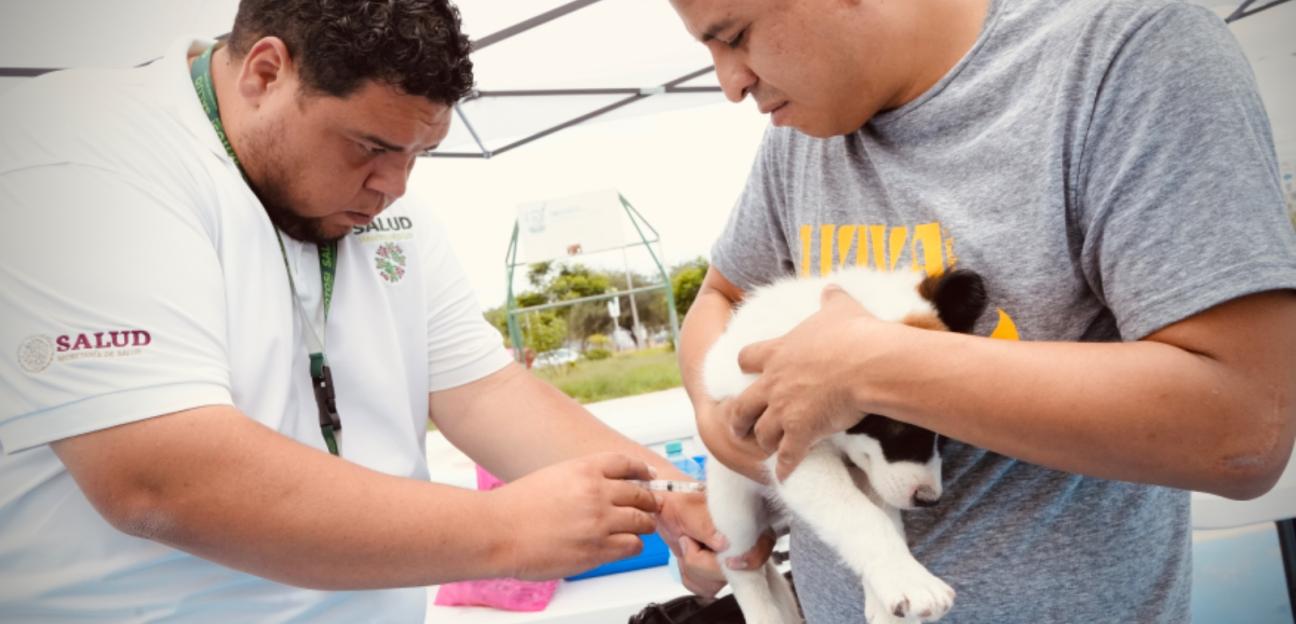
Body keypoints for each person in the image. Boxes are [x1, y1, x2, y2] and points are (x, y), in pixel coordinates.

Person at [0, 1, 767, 620]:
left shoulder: (382, 209)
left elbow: (486, 394)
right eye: (369, 146)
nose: (393, 185)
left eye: (415, 154)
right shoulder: (81, 156)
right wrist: (504, 531)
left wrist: (679, 499)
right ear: (266, 71)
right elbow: (159, 478)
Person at [668, 0, 1296, 621]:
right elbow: (721, 296)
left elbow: (1246, 430)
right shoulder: (801, 133)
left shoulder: (1125, 57)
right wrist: (719, 422)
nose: (730, 83)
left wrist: (872, 367)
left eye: (737, 35)